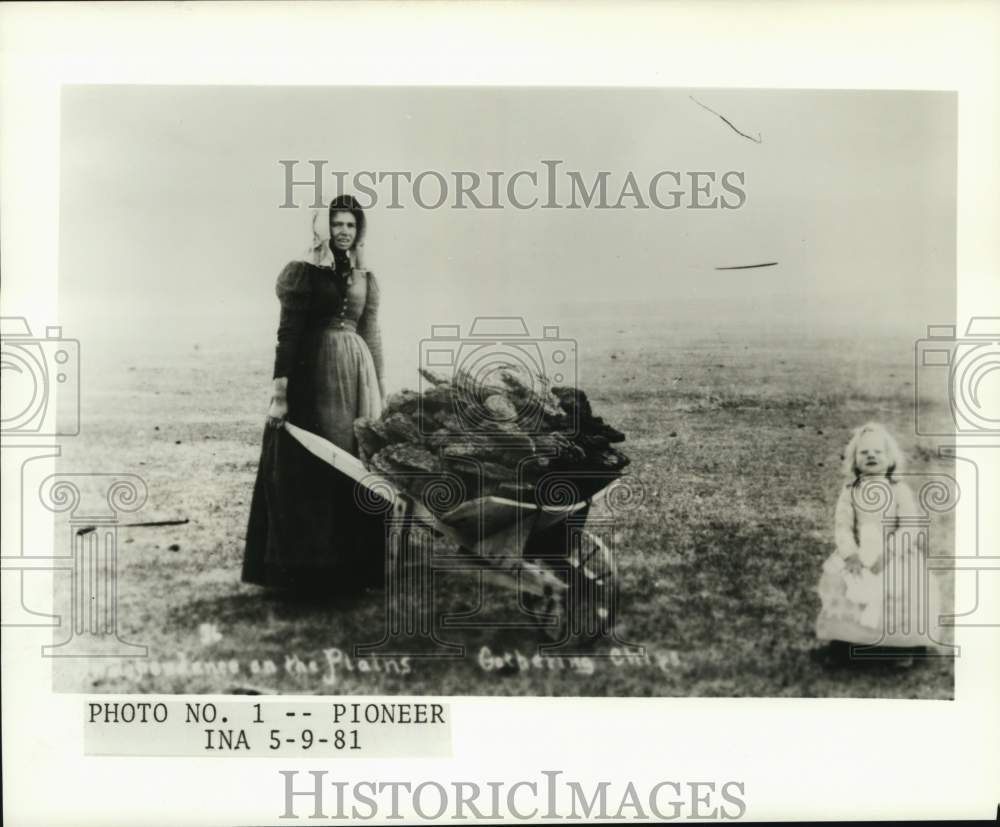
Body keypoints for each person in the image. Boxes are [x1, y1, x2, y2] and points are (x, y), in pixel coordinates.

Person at [242, 195, 387, 592]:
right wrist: (280, 393)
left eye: (351, 225)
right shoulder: (303, 272)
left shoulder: (365, 276)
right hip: (316, 373)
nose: (344, 232)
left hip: (357, 374)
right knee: (319, 459)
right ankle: (311, 569)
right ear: (323, 227)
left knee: (357, 459)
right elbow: (287, 334)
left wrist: (379, 383)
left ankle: (353, 566)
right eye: (337, 224)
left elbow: (370, 332)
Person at [814, 422, 947, 663]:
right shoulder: (850, 491)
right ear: (854, 460)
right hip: (859, 555)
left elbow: (910, 526)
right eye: (864, 453)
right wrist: (850, 555)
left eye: (878, 452)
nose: (872, 456)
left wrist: (890, 553)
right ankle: (848, 641)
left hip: (894, 555)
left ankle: (902, 646)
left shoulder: (899, 490)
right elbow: (842, 526)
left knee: (902, 592)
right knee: (846, 588)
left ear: (890, 459)